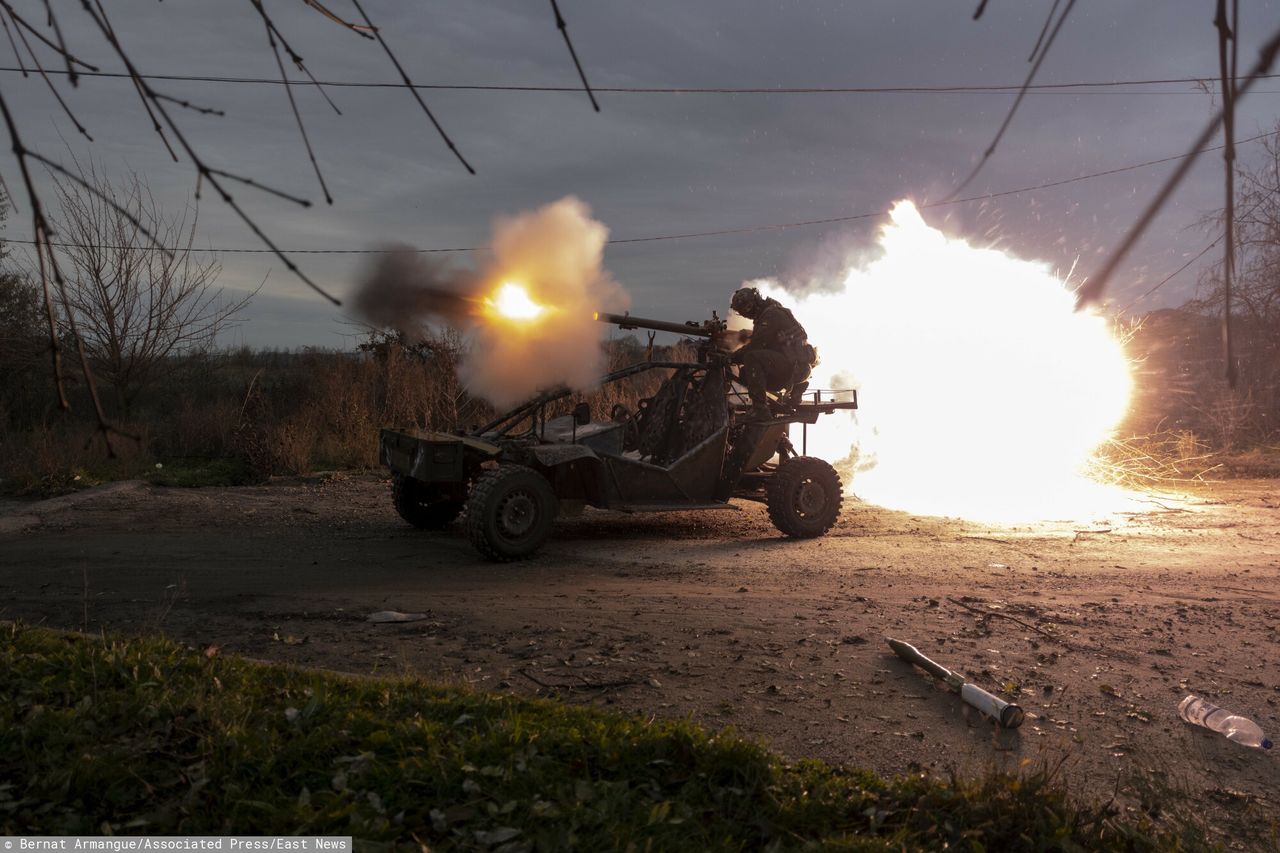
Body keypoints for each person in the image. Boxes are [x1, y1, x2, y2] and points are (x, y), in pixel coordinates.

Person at [728, 287, 816, 420]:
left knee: (751, 358)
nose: (746, 314)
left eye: (746, 309)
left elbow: (756, 346)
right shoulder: (771, 312)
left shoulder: (771, 315)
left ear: (753, 303)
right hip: (797, 367)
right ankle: (796, 390)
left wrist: (730, 358)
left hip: (794, 368)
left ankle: (760, 410)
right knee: (745, 373)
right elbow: (766, 342)